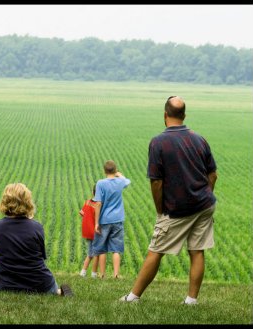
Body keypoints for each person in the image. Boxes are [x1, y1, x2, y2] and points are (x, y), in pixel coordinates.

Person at [120, 96, 217, 305]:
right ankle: (191, 300)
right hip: (205, 205)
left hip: (177, 209)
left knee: (156, 250)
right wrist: (204, 195)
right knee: (197, 250)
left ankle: (133, 297)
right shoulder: (200, 139)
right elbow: (213, 175)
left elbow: (156, 182)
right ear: (184, 116)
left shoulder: (158, 142)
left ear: (165, 115)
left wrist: (160, 209)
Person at [0, 183, 73, 296]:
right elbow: (42, 255)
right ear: (28, 202)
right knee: (51, 289)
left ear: (5, 202)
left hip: (7, 284)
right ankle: (58, 292)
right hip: (40, 283)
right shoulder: (36, 227)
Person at [93, 160, 131, 279]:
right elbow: (127, 181)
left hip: (104, 220)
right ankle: (116, 274)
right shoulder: (120, 182)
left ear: (104, 171)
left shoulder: (100, 183)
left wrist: (96, 222)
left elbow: (98, 203)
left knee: (102, 248)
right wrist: (119, 175)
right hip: (118, 219)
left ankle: (102, 274)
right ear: (115, 170)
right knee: (116, 249)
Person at [78, 184, 99, 278]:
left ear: (92, 192)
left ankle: (83, 272)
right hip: (94, 231)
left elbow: (81, 213)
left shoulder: (87, 202)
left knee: (90, 253)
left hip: (86, 231)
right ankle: (94, 274)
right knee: (96, 254)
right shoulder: (98, 205)